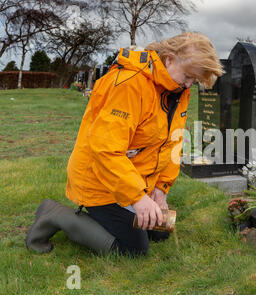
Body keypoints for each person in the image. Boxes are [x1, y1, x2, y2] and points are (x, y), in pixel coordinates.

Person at [26, 32, 224, 256]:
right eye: (188, 76)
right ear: (169, 58)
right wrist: (138, 199)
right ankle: (56, 214)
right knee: (134, 248)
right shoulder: (130, 84)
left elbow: (172, 141)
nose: (189, 84)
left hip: (131, 178)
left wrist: (160, 189)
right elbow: (105, 150)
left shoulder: (178, 90)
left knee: (161, 230)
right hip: (99, 179)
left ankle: (118, 213)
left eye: (194, 81)